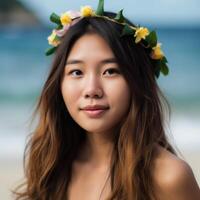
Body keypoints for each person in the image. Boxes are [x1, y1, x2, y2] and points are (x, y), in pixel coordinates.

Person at [14, 0, 200, 199]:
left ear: (136, 80)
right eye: (76, 72)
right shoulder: (49, 164)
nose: (92, 90)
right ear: (58, 83)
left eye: (110, 71)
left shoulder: (169, 177)